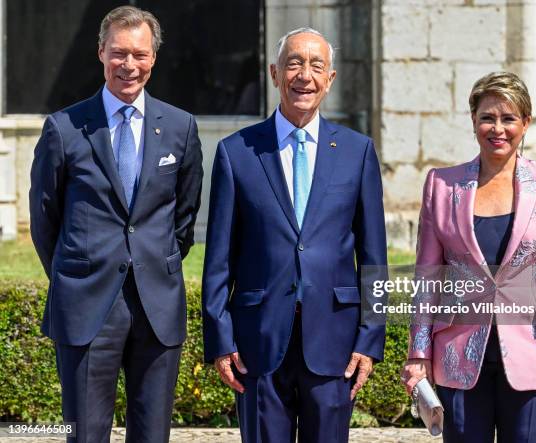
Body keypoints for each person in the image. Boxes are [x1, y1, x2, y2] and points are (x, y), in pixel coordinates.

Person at [202, 27, 387, 443]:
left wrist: (370, 339)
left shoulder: (358, 152)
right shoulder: (237, 152)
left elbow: (374, 257)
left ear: (330, 79)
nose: (305, 75)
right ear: (274, 73)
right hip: (258, 344)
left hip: (335, 343)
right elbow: (218, 258)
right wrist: (220, 338)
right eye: (294, 63)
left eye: (316, 65)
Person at [29, 6, 203, 442]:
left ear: (154, 59)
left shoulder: (180, 128)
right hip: (87, 305)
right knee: (85, 434)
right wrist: (76, 273)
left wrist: (153, 261)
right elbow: (44, 217)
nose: (129, 65)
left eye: (140, 55)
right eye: (119, 53)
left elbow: (184, 216)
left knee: (152, 435)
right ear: (101, 52)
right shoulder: (63, 128)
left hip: (157, 307)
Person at [401, 71, 536, 443]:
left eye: (508, 118)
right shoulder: (441, 185)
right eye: (488, 117)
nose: (497, 128)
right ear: (473, 121)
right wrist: (418, 351)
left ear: (525, 123)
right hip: (458, 353)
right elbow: (428, 277)